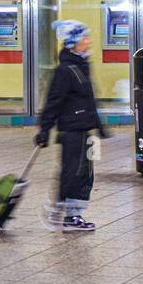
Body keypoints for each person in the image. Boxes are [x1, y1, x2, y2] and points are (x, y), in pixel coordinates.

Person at [36, 20, 109, 231]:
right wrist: (44, 129)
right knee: (73, 172)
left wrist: (99, 126)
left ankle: (70, 213)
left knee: (85, 171)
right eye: (84, 38)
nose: (89, 41)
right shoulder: (65, 70)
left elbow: (89, 99)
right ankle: (66, 214)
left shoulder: (81, 65)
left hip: (84, 128)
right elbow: (53, 101)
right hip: (71, 129)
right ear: (73, 42)